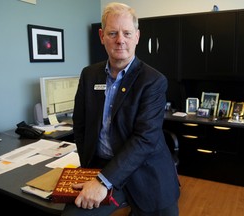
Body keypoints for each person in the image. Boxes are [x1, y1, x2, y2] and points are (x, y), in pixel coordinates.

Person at [61, 2, 180, 216]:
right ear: (101, 36)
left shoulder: (153, 81)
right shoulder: (89, 75)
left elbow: (145, 139)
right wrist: (89, 168)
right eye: (113, 33)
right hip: (101, 167)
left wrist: (103, 181)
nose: (120, 40)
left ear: (137, 36)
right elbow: (80, 124)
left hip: (146, 171)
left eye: (127, 33)